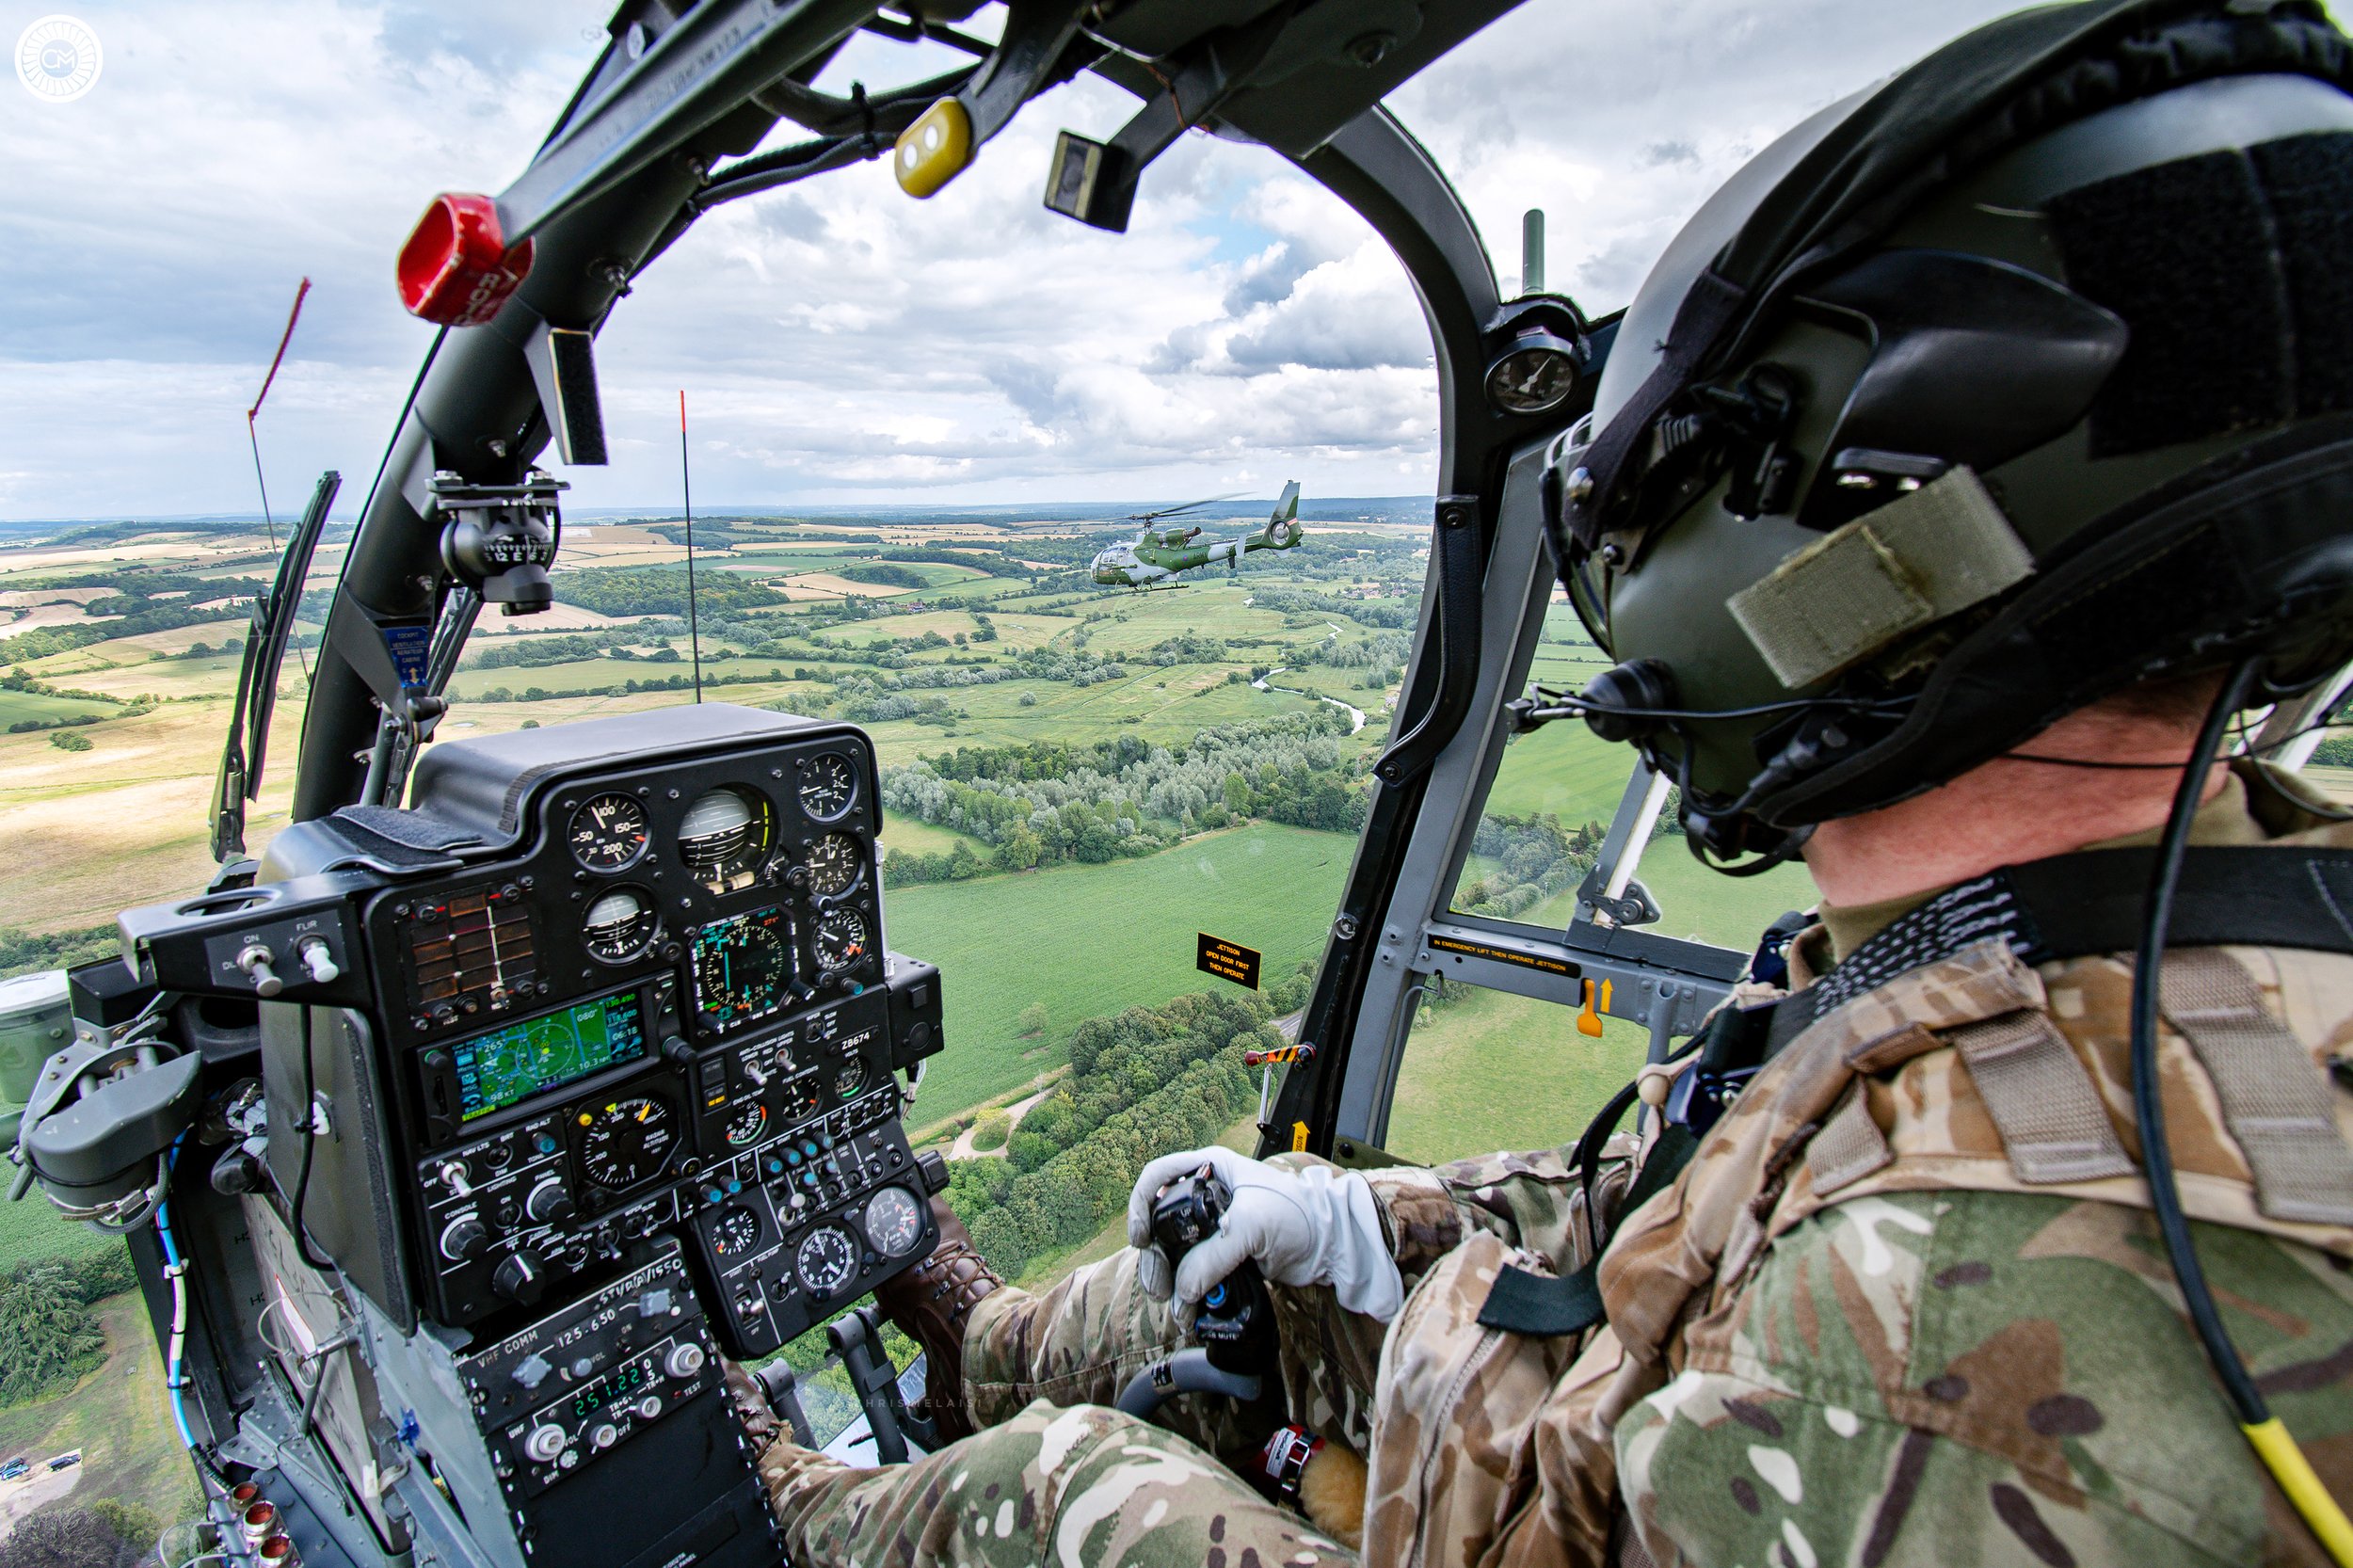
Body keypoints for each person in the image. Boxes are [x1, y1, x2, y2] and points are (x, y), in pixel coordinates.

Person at [730, 1, 2353, 1562]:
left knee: (1062, 1493)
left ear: (1852, 526)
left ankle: (783, 1504)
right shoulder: (2058, 935)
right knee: (1213, 1274)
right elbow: (1651, 1194)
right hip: (1579, 1430)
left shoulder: (1951, 1341)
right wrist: (1351, 1225)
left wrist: (1092, 1496)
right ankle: (987, 1333)